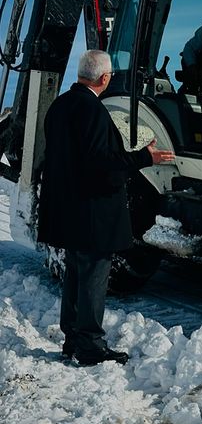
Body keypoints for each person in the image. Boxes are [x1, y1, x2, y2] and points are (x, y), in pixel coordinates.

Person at [37, 50, 175, 366]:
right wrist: (145, 158)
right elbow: (103, 165)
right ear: (104, 78)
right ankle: (90, 345)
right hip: (92, 211)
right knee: (93, 277)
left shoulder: (59, 107)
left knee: (75, 274)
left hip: (68, 208)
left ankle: (73, 339)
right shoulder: (93, 110)